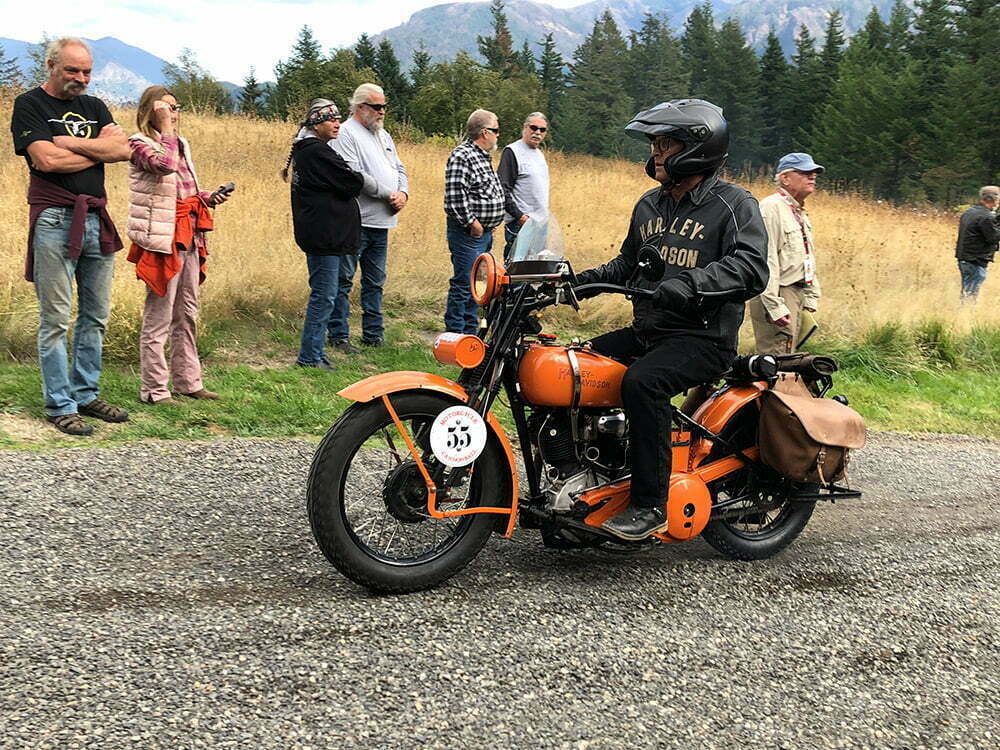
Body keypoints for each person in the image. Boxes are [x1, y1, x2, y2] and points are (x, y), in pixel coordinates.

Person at [573, 99, 768, 540]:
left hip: (702, 338)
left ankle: (649, 504)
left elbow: (752, 268)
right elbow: (626, 265)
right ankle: (596, 477)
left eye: (665, 143)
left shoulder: (734, 205)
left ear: (698, 148)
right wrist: (574, 282)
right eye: (655, 144)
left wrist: (693, 284)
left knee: (643, 383)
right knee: (578, 366)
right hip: (650, 331)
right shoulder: (649, 205)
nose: (656, 153)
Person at [9, 37, 131, 436]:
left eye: (87, 72)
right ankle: (60, 403)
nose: (81, 79)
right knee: (56, 319)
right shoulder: (29, 105)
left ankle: (86, 393)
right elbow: (45, 159)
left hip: (97, 218)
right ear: (51, 66)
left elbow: (124, 149)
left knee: (95, 316)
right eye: (72, 71)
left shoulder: (94, 106)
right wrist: (98, 149)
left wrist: (71, 143)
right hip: (54, 220)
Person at [126, 86, 230, 405]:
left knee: (187, 311)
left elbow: (183, 190)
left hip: (190, 234)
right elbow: (165, 166)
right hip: (162, 238)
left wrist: (208, 198)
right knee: (159, 315)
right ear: (151, 109)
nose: (174, 113)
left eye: (176, 108)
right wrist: (166, 128)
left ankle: (188, 381)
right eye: (168, 107)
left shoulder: (181, 143)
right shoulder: (138, 143)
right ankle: (154, 389)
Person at [283, 99, 371, 371]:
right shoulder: (315, 152)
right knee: (324, 294)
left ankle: (316, 352)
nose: (337, 125)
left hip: (325, 235)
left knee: (327, 293)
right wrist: (352, 178)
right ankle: (309, 355)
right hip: (324, 236)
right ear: (316, 124)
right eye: (331, 120)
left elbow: (346, 181)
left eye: (337, 120)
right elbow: (352, 181)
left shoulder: (314, 151)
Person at [326, 83, 408, 353]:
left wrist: (403, 193)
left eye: (384, 106)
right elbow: (354, 176)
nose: (382, 111)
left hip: (383, 220)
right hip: (356, 219)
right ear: (360, 107)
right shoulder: (346, 133)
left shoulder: (382, 134)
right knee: (344, 279)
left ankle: (373, 334)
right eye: (377, 107)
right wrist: (388, 194)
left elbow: (399, 167)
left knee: (375, 280)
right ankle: (339, 335)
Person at [748, 152, 824, 356]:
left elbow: (806, 256)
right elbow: (766, 259)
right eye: (805, 172)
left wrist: (810, 296)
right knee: (775, 361)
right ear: (785, 178)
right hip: (778, 293)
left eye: (814, 173)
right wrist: (774, 306)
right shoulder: (771, 208)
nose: (812, 177)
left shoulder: (797, 211)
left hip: (793, 293)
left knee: (786, 357)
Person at [443, 109, 504, 334]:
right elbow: (455, 197)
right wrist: (473, 223)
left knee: (478, 286)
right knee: (464, 284)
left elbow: (484, 192)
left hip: (484, 233)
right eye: (496, 131)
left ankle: (470, 331)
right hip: (469, 234)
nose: (498, 136)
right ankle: (455, 332)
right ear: (485, 132)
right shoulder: (463, 155)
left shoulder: (482, 156)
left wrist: (492, 219)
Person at [497, 112, 550, 262]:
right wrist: (520, 217)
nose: (537, 132)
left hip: (540, 225)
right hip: (520, 225)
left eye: (542, 130)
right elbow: (502, 189)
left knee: (536, 273)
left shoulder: (539, 154)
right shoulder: (512, 152)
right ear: (525, 127)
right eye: (533, 127)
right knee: (517, 273)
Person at [955, 185, 999, 302]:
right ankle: (966, 317)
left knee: (966, 290)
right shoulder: (986, 216)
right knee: (970, 296)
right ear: (994, 200)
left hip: (964, 258)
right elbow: (993, 238)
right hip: (976, 260)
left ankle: (962, 316)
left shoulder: (970, 212)